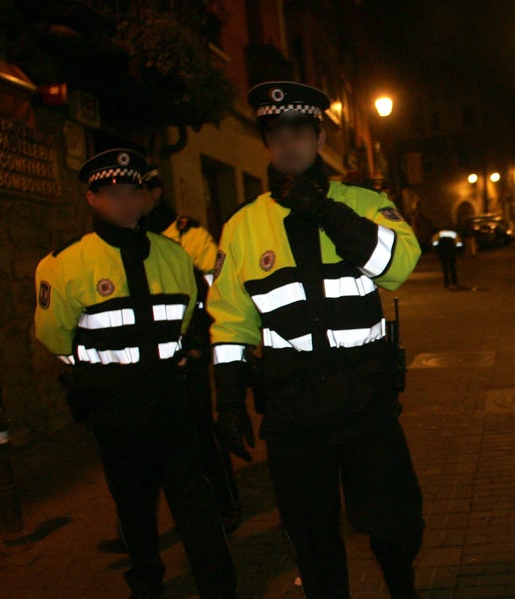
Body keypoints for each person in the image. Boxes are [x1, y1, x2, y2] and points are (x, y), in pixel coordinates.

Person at [208, 81, 423, 598]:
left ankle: (402, 586)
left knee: (397, 524)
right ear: (265, 141)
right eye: (276, 132)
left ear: (319, 135)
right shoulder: (242, 227)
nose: (288, 143)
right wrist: (231, 402)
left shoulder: (366, 204)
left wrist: (325, 210)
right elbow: (231, 323)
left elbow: (397, 264)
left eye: (299, 130)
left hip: (366, 401)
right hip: (293, 410)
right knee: (310, 536)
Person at [34, 149, 237, 599]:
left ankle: (219, 586)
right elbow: (54, 338)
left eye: (133, 192)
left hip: (172, 401)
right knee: (134, 507)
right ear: (91, 198)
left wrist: (191, 360)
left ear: (145, 196)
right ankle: (147, 583)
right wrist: (97, 381)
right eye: (112, 194)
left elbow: (190, 319)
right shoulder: (64, 264)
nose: (125, 203)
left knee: (196, 504)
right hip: (116, 409)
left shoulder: (174, 255)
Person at [143, 167, 241, 530]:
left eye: (136, 192)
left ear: (155, 193)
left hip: (191, 347)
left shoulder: (188, 233)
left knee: (200, 429)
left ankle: (226, 503)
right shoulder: (128, 237)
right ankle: (135, 526)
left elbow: (218, 285)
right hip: (147, 354)